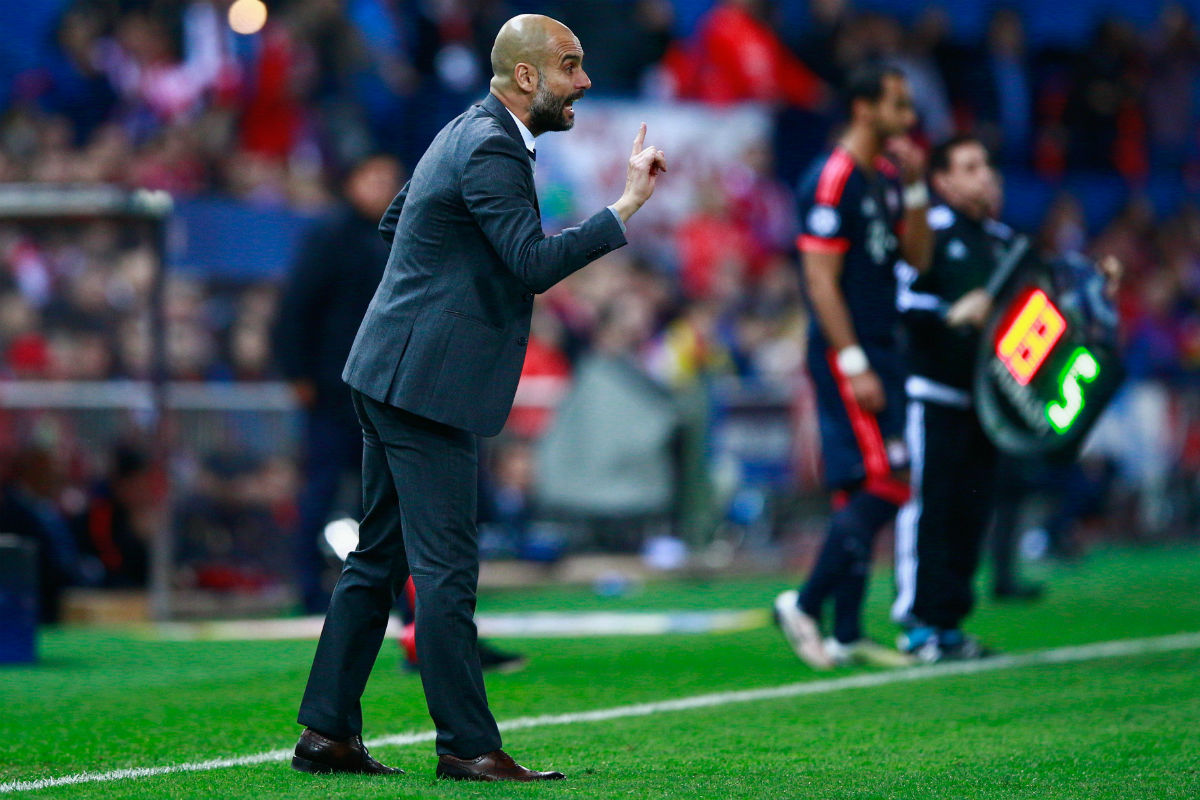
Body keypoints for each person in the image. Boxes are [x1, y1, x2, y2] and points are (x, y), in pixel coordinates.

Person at [292, 14, 667, 782]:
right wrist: (624, 207)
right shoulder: (493, 144)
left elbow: (400, 221)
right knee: (446, 569)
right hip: (425, 386)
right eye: (571, 65)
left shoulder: (463, 128)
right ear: (527, 77)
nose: (584, 81)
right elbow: (529, 263)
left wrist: (431, 295)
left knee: (378, 560)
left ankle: (326, 734)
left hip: (394, 371)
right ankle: (466, 744)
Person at [890, 134, 1121, 661]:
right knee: (932, 510)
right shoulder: (930, 233)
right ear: (942, 181)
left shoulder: (1003, 241)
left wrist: (1092, 283)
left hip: (991, 402)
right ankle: (918, 622)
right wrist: (949, 313)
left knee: (971, 515)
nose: (986, 176)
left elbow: (1046, 300)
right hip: (936, 394)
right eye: (970, 167)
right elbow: (899, 299)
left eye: (988, 166)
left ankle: (950, 622)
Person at [774, 63, 932, 670]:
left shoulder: (890, 177)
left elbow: (916, 257)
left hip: (882, 346)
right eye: (898, 104)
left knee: (856, 489)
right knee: (889, 480)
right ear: (864, 109)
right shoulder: (831, 177)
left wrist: (917, 188)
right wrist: (855, 360)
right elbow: (819, 281)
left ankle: (845, 631)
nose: (909, 119)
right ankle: (806, 605)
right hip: (850, 351)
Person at [274, 154, 402, 615]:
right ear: (351, 181)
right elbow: (296, 308)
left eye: (390, 178)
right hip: (332, 390)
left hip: (383, 389)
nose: (383, 186)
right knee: (321, 491)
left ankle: (385, 591)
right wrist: (298, 374)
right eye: (374, 177)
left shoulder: (396, 233)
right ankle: (308, 588)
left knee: (385, 496)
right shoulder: (328, 235)